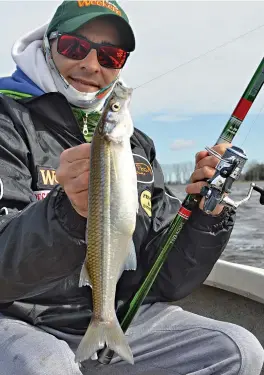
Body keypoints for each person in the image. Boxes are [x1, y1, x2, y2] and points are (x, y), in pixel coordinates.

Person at [0, 1, 263, 374]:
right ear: (47, 45)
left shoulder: (136, 146)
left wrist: (207, 211)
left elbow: (168, 280)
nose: (92, 65)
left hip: (115, 315)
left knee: (238, 350)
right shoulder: (6, 121)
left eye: (111, 55)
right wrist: (66, 212)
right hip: (17, 318)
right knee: (45, 365)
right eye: (75, 48)